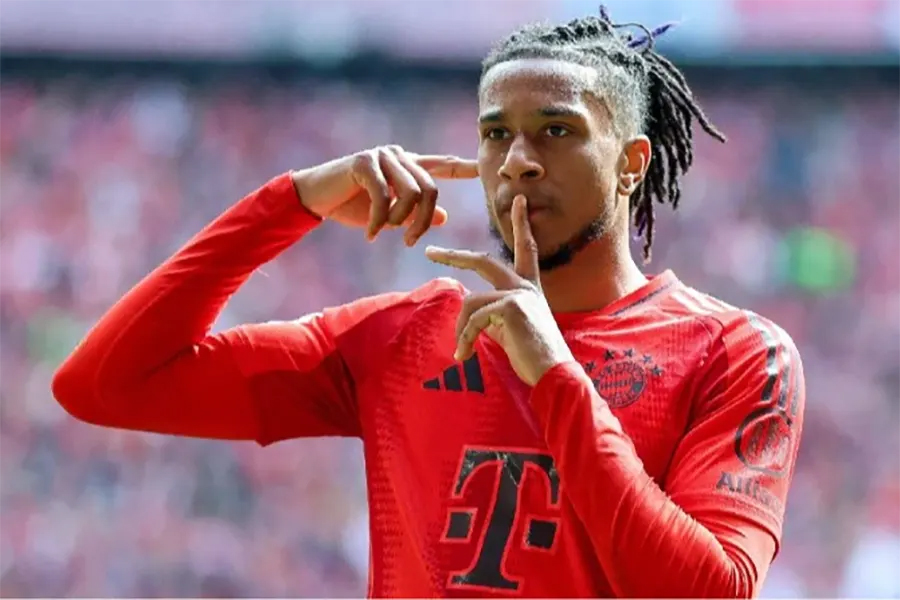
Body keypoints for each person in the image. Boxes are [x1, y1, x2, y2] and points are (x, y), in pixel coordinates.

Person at [52, 7, 806, 598]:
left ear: (632, 164)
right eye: (496, 134)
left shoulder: (738, 353)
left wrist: (555, 375)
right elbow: (105, 384)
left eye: (557, 130)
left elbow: (709, 590)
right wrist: (294, 200)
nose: (518, 161)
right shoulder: (405, 337)